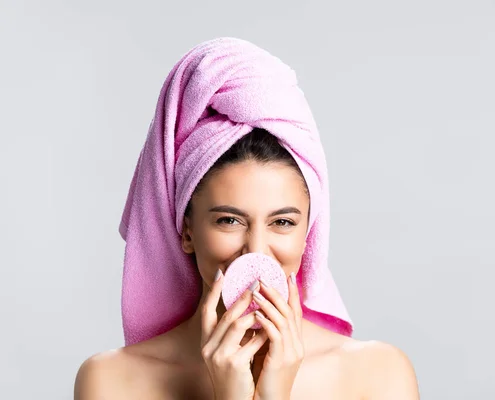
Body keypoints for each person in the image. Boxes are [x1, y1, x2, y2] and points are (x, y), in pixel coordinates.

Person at [74, 38, 419, 399]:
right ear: (187, 230)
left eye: (282, 223)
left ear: (308, 234)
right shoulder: (112, 380)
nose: (256, 253)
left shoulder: (378, 374)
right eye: (229, 221)